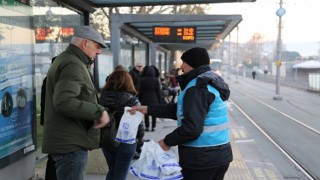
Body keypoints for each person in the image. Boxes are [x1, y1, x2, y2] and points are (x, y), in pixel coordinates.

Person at [130, 47, 232, 180]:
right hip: (219, 154)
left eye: (185, 63)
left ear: (194, 65)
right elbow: (180, 110)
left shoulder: (197, 88)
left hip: (202, 158)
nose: (182, 66)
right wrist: (148, 109)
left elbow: (192, 128)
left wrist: (166, 142)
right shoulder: (209, 82)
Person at [42, 26, 110, 180]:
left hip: (68, 141)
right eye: (97, 46)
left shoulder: (67, 59)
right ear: (85, 43)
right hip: (71, 144)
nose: (98, 52)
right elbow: (64, 101)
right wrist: (99, 111)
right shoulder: (74, 64)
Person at [99, 70, 143, 180]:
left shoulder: (101, 99)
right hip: (126, 141)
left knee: (112, 171)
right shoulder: (133, 101)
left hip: (107, 139)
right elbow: (139, 125)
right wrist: (140, 141)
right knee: (121, 174)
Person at [40, 56, 57, 180]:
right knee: (55, 156)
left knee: (53, 155)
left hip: (48, 120)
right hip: (54, 122)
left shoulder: (48, 79)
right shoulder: (54, 80)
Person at [138, 65, 162, 132]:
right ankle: (153, 127)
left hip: (145, 99)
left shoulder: (143, 80)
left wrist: (139, 99)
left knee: (146, 113)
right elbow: (158, 91)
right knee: (154, 113)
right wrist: (160, 101)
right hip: (154, 99)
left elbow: (141, 91)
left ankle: (147, 126)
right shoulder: (156, 80)